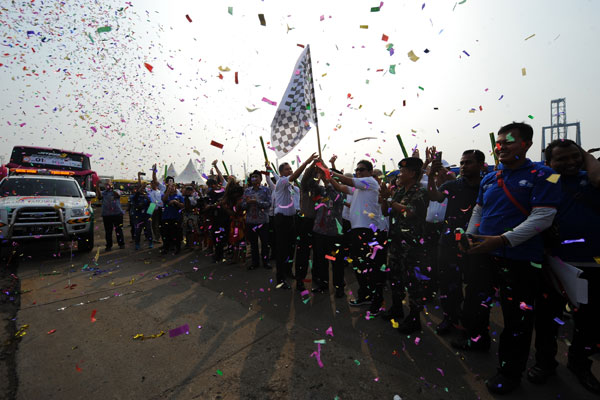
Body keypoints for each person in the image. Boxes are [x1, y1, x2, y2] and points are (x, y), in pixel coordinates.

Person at [465, 122, 561, 395]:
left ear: (526, 144)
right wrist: (472, 237)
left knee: (516, 321)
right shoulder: (490, 178)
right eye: (498, 142)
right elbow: (478, 211)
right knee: (477, 303)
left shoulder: (546, 175)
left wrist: (503, 240)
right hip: (485, 255)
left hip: (521, 260)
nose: (501, 147)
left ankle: (510, 373)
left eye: (508, 141)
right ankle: (478, 339)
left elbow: (543, 216)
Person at [527, 139, 600, 395]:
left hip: (592, 263)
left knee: (589, 322)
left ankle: (580, 364)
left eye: (574, 157)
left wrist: (584, 155)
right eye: (562, 159)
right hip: (554, 265)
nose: (570, 163)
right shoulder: (547, 184)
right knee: (548, 319)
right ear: (548, 163)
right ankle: (545, 363)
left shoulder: (591, 178)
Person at [428, 150, 489, 346]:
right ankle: (450, 319)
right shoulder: (453, 185)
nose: (463, 166)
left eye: (468, 163)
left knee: (475, 288)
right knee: (447, 283)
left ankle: (472, 328)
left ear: (481, 165)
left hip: (476, 244)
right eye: (462, 163)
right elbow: (435, 195)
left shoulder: (488, 185)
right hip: (448, 243)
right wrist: (430, 176)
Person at [379, 157, 428, 333]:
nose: (400, 174)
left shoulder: (420, 192)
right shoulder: (399, 192)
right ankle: (397, 308)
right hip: (396, 243)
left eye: (403, 171)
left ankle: (414, 319)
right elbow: (386, 211)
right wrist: (384, 199)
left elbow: (409, 212)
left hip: (412, 247)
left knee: (413, 283)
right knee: (395, 278)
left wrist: (390, 199)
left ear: (413, 173)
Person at [329, 160, 382, 307]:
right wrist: (327, 178)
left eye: (362, 170)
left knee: (364, 266)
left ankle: (368, 295)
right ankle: (367, 294)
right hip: (358, 229)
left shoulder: (369, 182)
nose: (358, 172)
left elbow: (346, 180)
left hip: (365, 231)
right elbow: (340, 186)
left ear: (370, 173)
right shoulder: (360, 188)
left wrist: (328, 171)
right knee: (360, 265)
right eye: (357, 170)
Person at [273, 153, 319, 289]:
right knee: (282, 250)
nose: (290, 171)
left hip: (292, 219)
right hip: (281, 219)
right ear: (281, 172)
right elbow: (294, 177)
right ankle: (280, 278)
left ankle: (288, 272)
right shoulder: (281, 182)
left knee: (291, 248)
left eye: (290, 169)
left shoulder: (293, 188)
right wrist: (308, 161)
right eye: (287, 169)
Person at [312, 161, 346, 297]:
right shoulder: (321, 191)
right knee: (321, 260)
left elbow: (337, 200)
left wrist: (328, 182)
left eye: (330, 176)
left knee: (336, 262)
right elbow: (310, 186)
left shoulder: (341, 191)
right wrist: (317, 174)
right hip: (320, 232)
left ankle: (339, 287)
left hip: (334, 233)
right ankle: (323, 284)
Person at [242, 170, 272, 270]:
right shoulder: (247, 191)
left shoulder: (266, 190)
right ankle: (255, 263)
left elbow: (269, 204)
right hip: (251, 221)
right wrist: (247, 203)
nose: (254, 179)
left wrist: (257, 202)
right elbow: (243, 205)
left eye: (256, 177)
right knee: (253, 244)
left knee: (264, 243)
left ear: (260, 178)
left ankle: (266, 262)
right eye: (252, 177)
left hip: (263, 220)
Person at [95, 179, 125, 251]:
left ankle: (121, 244)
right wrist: (97, 186)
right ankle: (108, 245)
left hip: (117, 214)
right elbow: (99, 196)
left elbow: (117, 195)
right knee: (108, 231)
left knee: (119, 230)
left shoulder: (116, 191)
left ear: (111, 184)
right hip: (107, 215)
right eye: (106, 184)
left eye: (108, 183)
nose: (107, 185)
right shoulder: (104, 193)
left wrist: (112, 188)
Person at [130, 175, 153, 250]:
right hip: (138, 216)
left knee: (148, 230)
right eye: (141, 188)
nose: (143, 189)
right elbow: (135, 199)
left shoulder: (148, 195)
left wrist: (150, 215)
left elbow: (152, 205)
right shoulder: (134, 196)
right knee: (138, 231)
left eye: (144, 188)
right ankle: (137, 244)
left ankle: (150, 242)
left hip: (146, 216)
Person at [161, 183, 184, 254]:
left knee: (176, 234)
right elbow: (164, 200)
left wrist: (175, 202)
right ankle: (166, 248)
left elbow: (183, 205)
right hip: (166, 217)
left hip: (176, 217)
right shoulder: (165, 195)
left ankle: (178, 248)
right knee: (166, 234)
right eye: (170, 187)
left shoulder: (179, 196)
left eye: (173, 187)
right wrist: (168, 191)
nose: (171, 188)